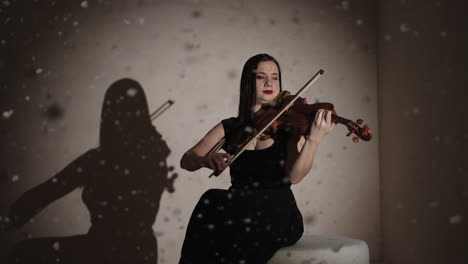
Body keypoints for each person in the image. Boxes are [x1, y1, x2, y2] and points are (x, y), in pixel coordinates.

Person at [178, 54, 336, 264]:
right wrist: (203, 160)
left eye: (275, 77)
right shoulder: (231, 126)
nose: (269, 83)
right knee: (212, 199)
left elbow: (296, 177)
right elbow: (187, 159)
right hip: (238, 209)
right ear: (248, 83)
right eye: (261, 77)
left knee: (233, 210)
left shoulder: (289, 124)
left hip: (277, 212)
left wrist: (314, 139)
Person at [6, 78, 172, 264]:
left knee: (22, 254)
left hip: (103, 250)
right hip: (142, 254)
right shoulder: (154, 157)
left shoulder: (99, 159)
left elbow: (51, 189)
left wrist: (12, 216)